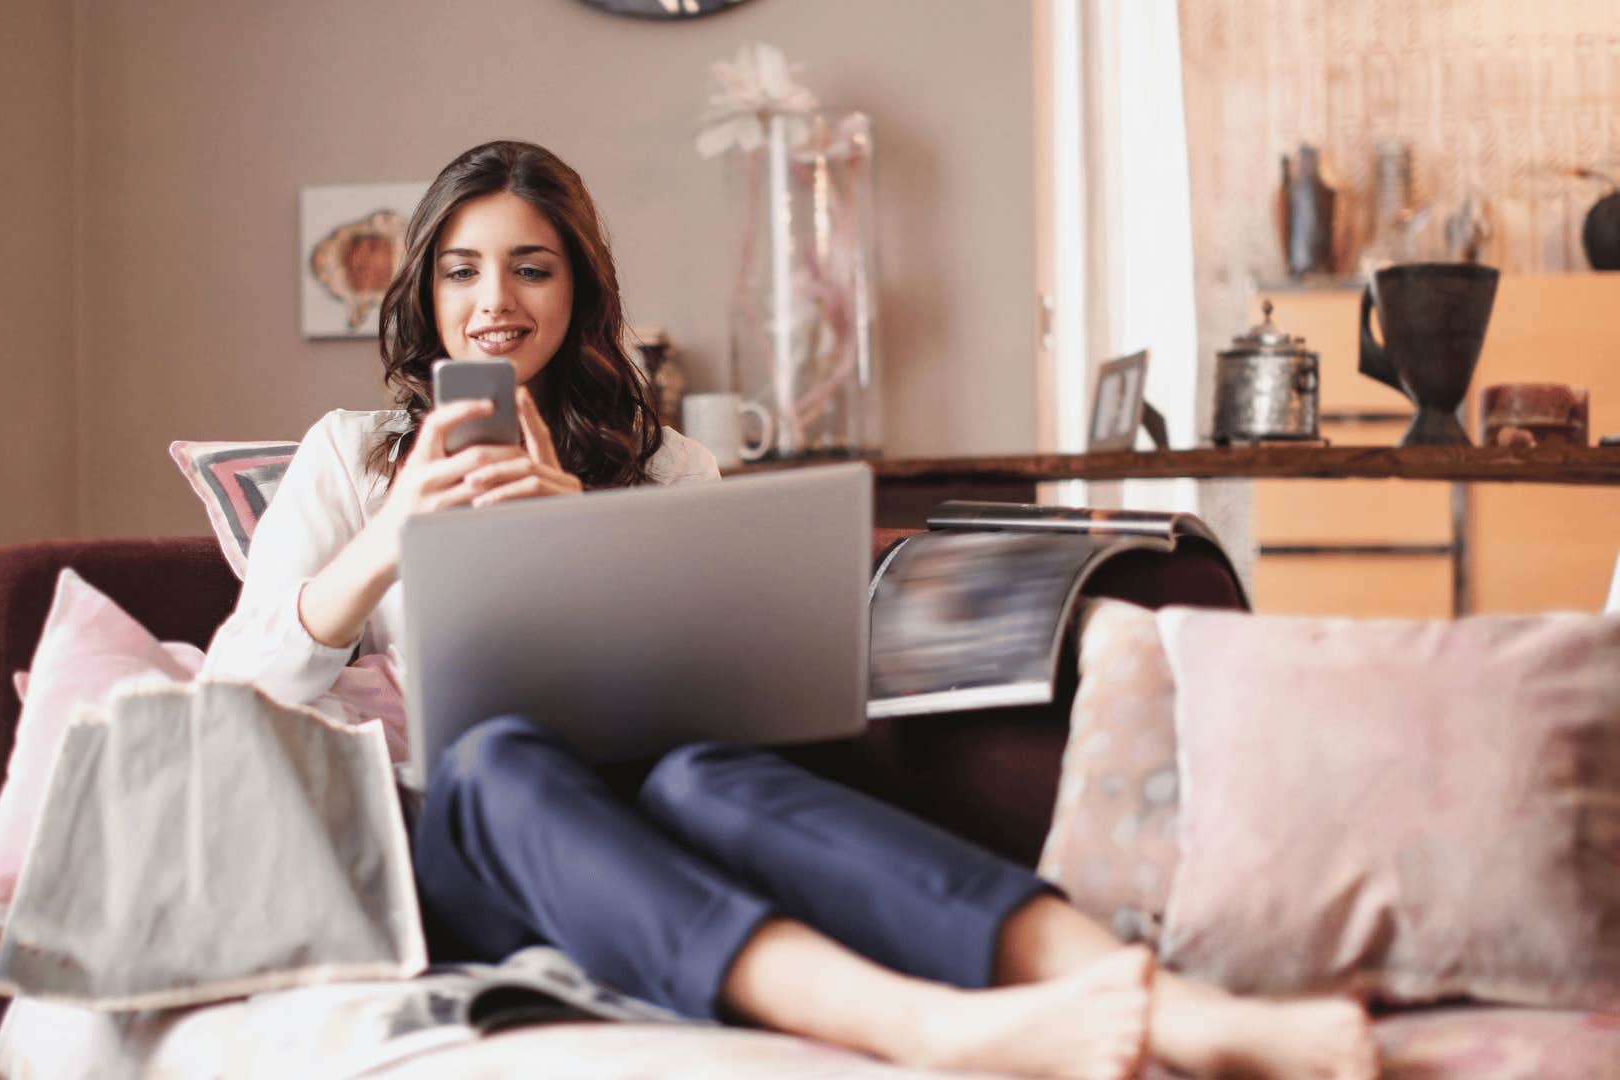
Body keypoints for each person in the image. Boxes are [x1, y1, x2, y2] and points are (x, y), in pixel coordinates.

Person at [203, 140, 1378, 1080]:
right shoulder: (355, 456)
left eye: (531, 265)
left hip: (658, 809)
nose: (494, 300)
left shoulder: (667, 468)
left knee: (702, 773)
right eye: (462, 268)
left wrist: (575, 530)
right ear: (425, 288)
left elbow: (732, 699)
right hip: (479, 836)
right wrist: (388, 539)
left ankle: (1173, 1005)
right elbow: (230, 693)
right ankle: (927, 1029)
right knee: (498, 757)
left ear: (578, 286)